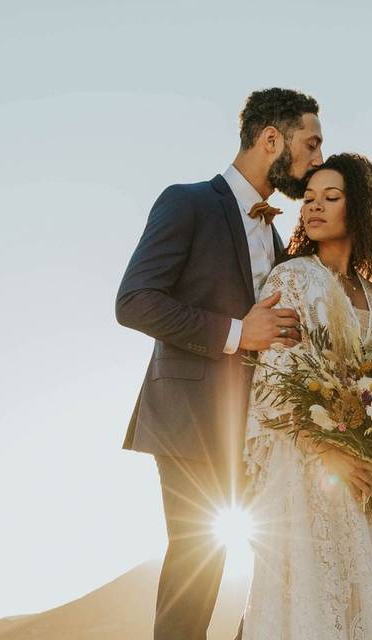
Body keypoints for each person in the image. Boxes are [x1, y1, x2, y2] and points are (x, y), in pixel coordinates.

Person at [114, 88, 323, 640]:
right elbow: (133, 301)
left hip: (260, 429)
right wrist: (237, 333)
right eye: (311, 143)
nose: (317, 159)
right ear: (270, 139)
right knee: (198, 562)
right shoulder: (188, 202)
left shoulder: (279, 239)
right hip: (188, 419)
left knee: (283, 559)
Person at [240, 153, 372, 639]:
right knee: (321, 604)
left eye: (331, 198)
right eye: (309, 199)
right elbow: (274, 381)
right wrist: (331, 454)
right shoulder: (292, 279)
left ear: (363, 210)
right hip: (314, 476)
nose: (313, 208)